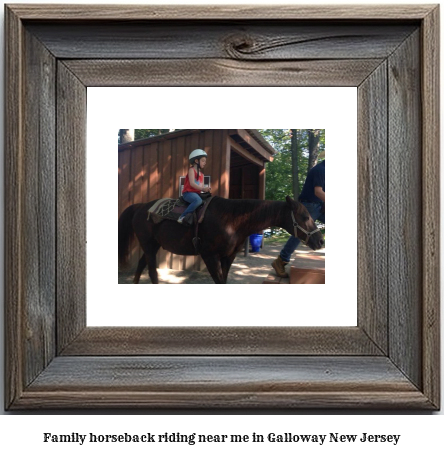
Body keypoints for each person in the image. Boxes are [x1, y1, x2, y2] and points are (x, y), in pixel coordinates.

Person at [272, 153, 325, 278]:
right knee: (300, 233)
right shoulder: (320, 170)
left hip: (319, 204)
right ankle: (281, 261)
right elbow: (318, 192)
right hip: (310, 205)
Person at [178, 149, 211, 224]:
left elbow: (201, 187)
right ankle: (183, 216)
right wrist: (203, 188)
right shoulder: (191, 170)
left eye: (205, 161)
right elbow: (192, 183)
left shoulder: (202, 175)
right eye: (203, 160)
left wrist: (206, 189)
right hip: (188, 193)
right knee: (198, 201)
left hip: (197, 194)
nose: (205, 163)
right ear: (196, 161)